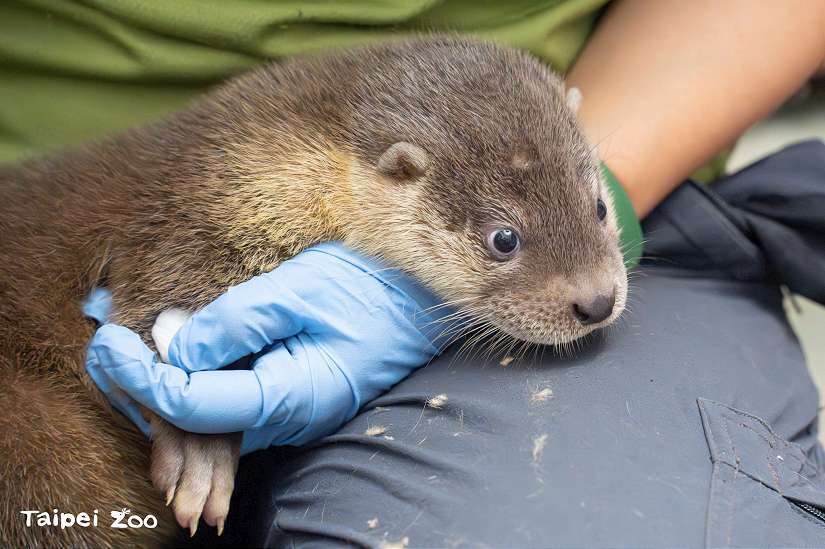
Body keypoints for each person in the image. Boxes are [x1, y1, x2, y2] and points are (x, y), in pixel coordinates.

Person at [5, 0, 825, 546]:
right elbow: (163, 274)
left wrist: (610, 191)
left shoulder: (570, 189)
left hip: (647, 149)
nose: (595, 293)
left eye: (590, 212)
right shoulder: (265, 181)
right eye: (502, 242)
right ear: (397, 178)